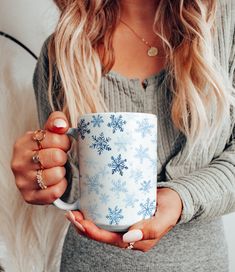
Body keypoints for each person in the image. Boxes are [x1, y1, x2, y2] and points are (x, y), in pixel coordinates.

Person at [11, 0, 235, 271]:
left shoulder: (224, 22)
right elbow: (71, 186)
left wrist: (180, 197)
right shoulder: (62, 51)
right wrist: (43, 172)